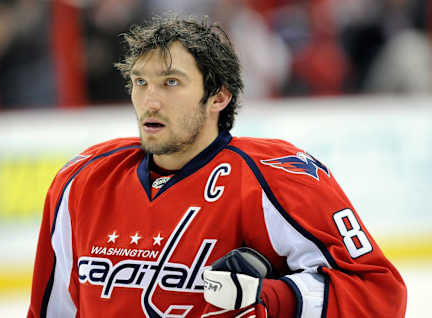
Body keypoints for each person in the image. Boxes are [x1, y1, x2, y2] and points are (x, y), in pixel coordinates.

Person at [27, 15, 407, 318]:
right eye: (140, 82)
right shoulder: (82, 180)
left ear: (219, 95)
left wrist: (271, 297)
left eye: (171, 82)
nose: (150, 101)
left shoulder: (274, 178)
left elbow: (378, 294)